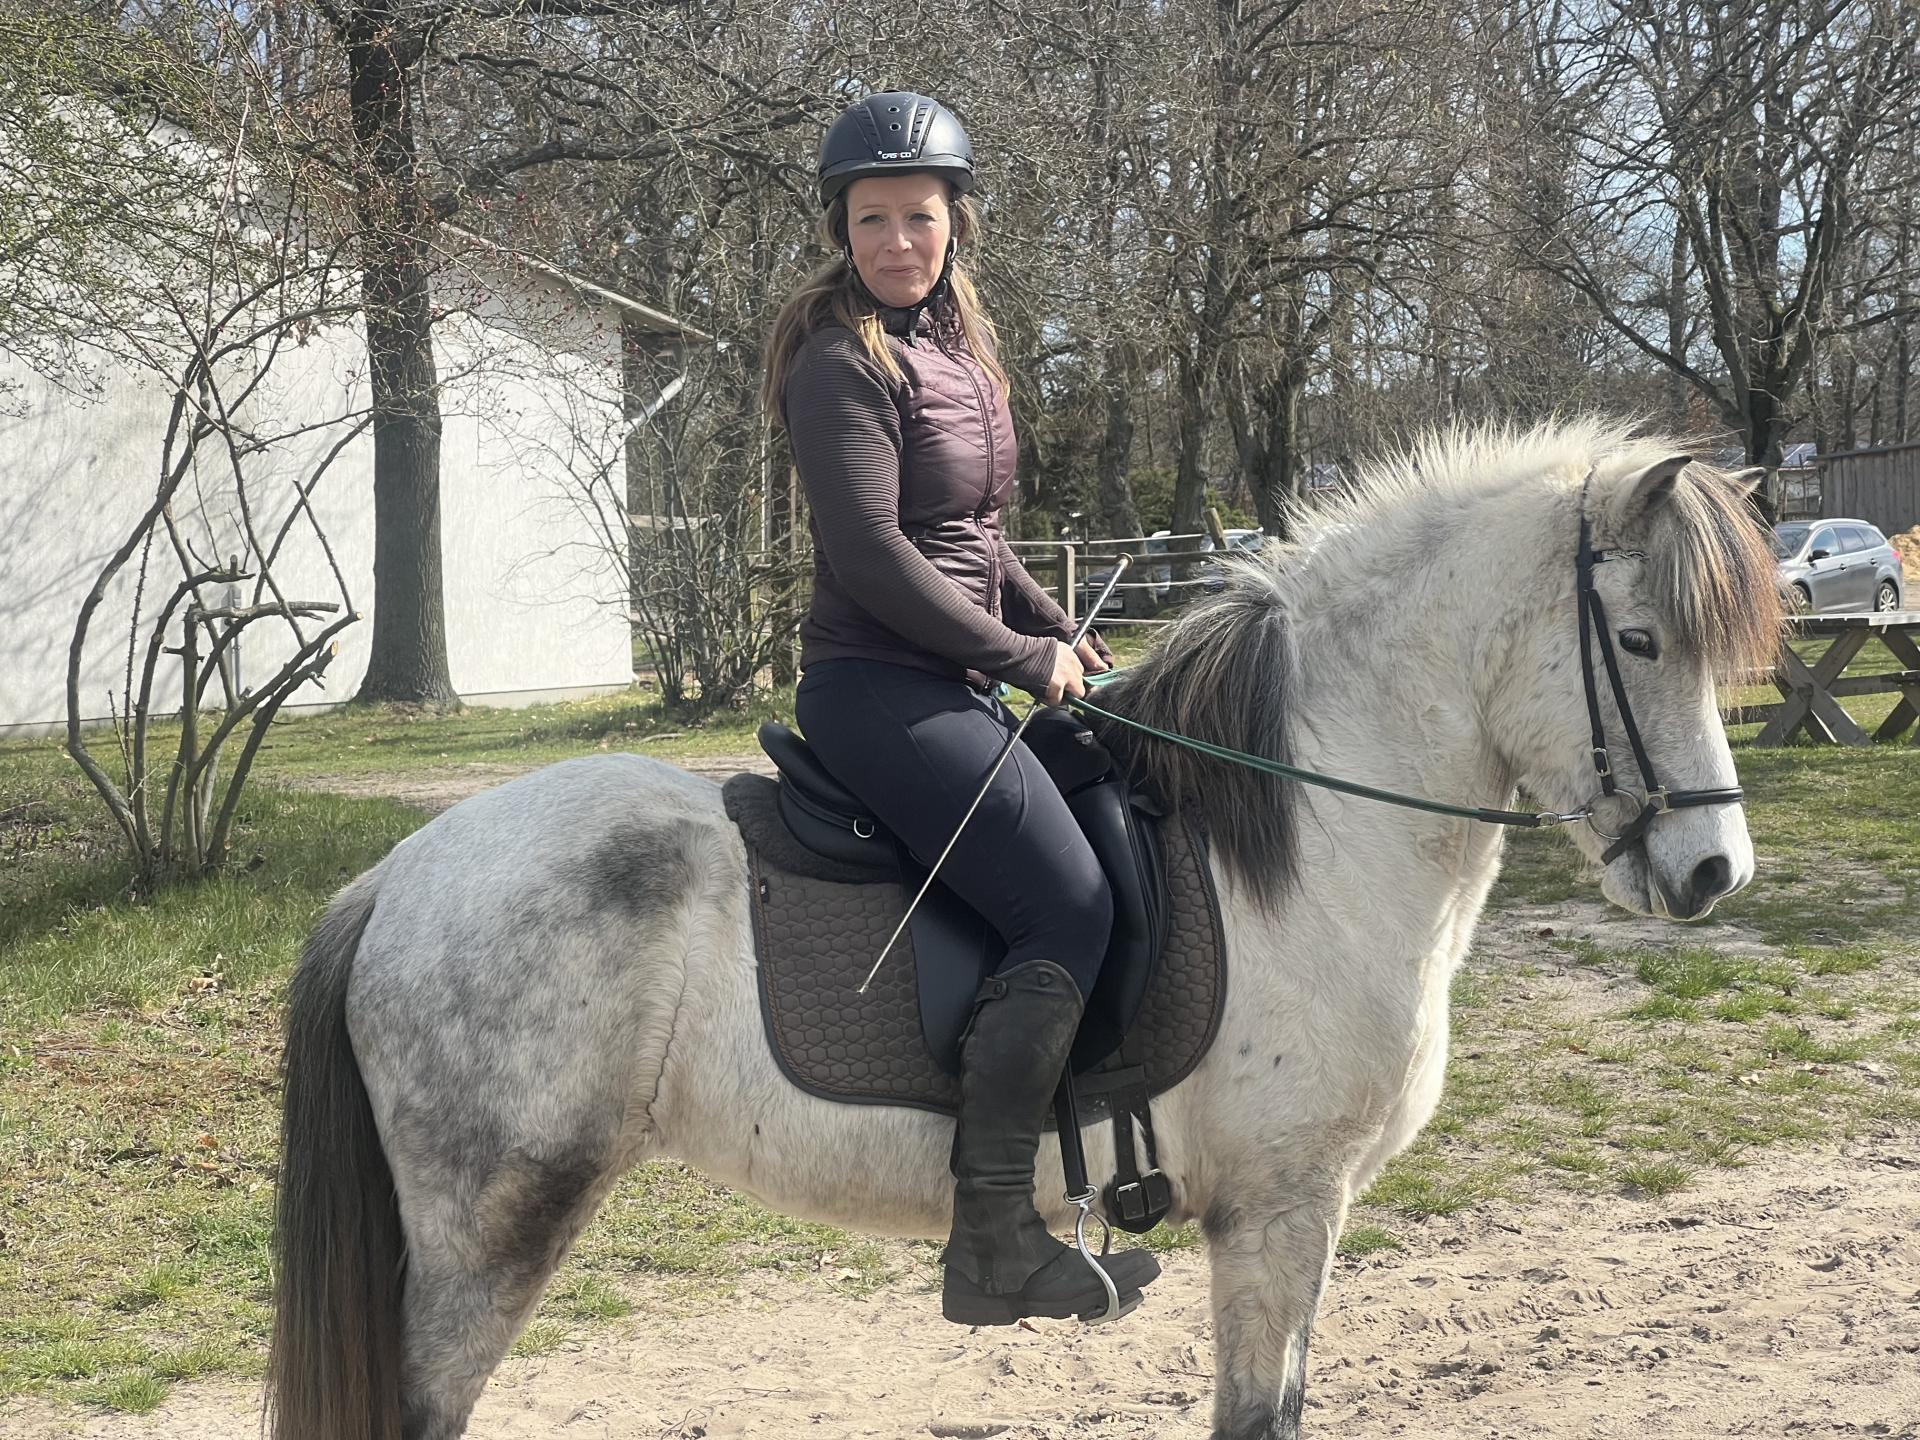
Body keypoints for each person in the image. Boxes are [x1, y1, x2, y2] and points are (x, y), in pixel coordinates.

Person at [760, 91, 1161, 1327]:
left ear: (955, 224)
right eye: (871, 219)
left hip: (957, 668)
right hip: (877, 688)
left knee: (1118, 800)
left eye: (917, 218)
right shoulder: (840, 360)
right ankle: (991, 1237)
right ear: (843, 227)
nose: (895, 241)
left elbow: (976, 537)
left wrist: (1052, 634)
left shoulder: (957, 350)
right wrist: (1013, 655)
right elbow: (877, 554)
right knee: (1066, 899)